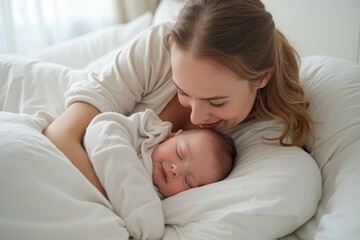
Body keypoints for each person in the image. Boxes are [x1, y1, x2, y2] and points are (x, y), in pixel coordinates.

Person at [43, 0, 313, 201]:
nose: (196, 118)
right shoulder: (159, 48)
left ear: (262, 79)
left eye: (217, 102)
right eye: (183, 91)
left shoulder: (267, 132)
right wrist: (127, 205)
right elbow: (60, 133)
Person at [82, 109, 236, 239]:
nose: (176, 170)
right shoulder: (146, 132)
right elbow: (102, 128)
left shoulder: (162, 206)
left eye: (187, 180)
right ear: (172, 136)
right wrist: (140, 206)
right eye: (180, 153)